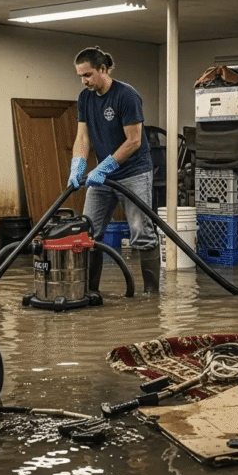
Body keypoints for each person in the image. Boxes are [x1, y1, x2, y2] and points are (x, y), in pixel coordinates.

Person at [68, 46, 161, 294]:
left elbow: (134, 141)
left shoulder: (126, 96)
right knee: (89, 232)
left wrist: (105, 166)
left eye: (87, 75)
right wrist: (78, 165)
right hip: (103, 176)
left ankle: (151, 295)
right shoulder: (85, 98)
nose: (84, 81)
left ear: (103, 69)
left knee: (141, 232)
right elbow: (82, 137)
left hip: (133, 173)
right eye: (80, 76)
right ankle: (90, 293)